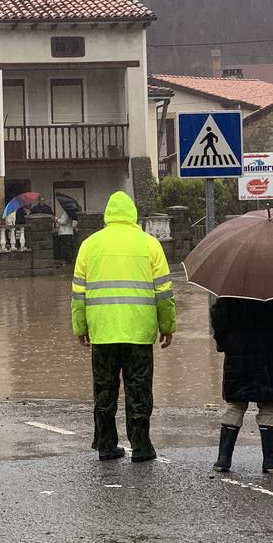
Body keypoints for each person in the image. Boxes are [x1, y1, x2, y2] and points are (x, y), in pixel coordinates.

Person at [71, 191, 176, 463]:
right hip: (139, 333)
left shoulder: (89, 246)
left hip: (103, 332)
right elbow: (164, 292)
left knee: (104, 391)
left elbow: (78, 293)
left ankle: (106, 445)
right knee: (139, 391)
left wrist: (80, 327)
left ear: (107, 216)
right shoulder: (150, 245)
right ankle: (141, 447)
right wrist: (167, 325)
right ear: (132, 216)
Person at [210, 296, 273, 475]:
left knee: (236, 404)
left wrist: (223, 343)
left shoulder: (233, 286)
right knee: (269, 404)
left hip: (238, 353)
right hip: (272, 353)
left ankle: (223, 458)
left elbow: (218, 315)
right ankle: (269, 460)